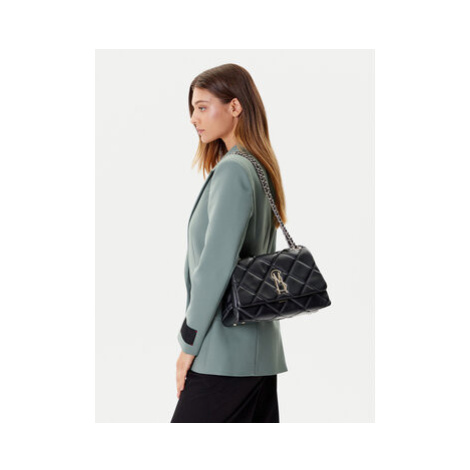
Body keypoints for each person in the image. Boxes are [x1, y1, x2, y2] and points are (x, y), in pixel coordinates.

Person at [170, 63, 290, 423]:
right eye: (193, 108)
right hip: (257, 354)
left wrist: (188, 344)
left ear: (235, 107)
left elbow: (214, 268)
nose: (193, 117)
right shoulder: (256, 166)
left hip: (224, 356)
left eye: (203, 107)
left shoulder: (234, 170)